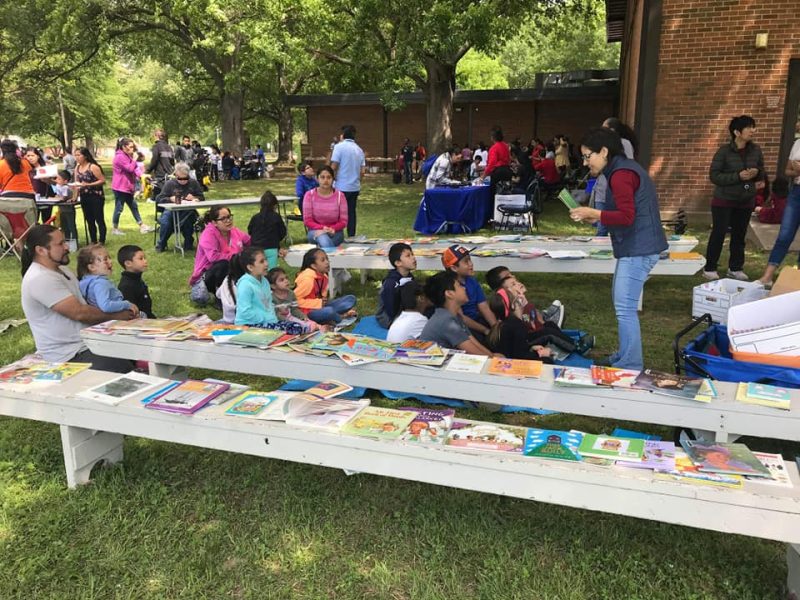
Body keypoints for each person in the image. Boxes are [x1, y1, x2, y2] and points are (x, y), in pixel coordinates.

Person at [569, 128, 668, 370]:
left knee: (625, 309)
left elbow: (626, 216)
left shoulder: (621, 174)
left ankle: (631, 364)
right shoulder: (623, 169)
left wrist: (595, 212)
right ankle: (625, 355)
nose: (585, 162)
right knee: (623, 305)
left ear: (604, 151)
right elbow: (624, 213)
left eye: (587, 155)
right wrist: (599, 219)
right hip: (638, 246)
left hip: (639, 248)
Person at [19, 224, 133, 371]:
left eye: (65, 242)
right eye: (60, 244)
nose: (67, 247)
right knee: (126, 372)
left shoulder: (62, 269)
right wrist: (119, 315)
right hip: (67, 355)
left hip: (87, 342)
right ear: (41, 250)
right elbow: (80, 313)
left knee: (140, 351)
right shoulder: (40, 278)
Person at [703, 115, 764, 281]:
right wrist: (738, 176)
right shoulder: (724, 151)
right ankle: (710, 268)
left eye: (753, 127)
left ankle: (736, 268)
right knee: (719, 233)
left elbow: (762, 170)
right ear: (737, 132)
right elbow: (714, 176)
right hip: (724, 200)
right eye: (749, 127)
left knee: (739, 235)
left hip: (745, 200)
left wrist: (757, 174)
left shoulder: (756, 150)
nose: (753, 131)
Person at [418, 271, 496, 356]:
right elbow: (475, 352)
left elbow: (473, 342)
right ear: (449, 294)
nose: (464, 288)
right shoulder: (446, 322)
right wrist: (494, 359)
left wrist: (492, 355)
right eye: (459, 285)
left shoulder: (454, 316)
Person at [758, 133, 800, 286]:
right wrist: (796, 170)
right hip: (796, 192)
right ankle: (767, 277)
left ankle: (798, 281)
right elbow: (787, 170)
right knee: (784, 235)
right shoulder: (798, 143)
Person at [231, 247, 304, 333]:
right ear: (250, 267)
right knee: (294, 329)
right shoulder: (245, 285)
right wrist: (267, 318)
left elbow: (267, 303)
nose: (266, 264)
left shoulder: (264, 281)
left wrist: (275, 312)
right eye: (262, 261)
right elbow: (245, 312)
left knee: (297, 326)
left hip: (267, 321)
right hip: (248, 325)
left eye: (266, 260)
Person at [190, 205, 250, 303]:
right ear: (214, 222)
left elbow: (249, 241)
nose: (228, 220)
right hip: (209, 275)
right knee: (224, 264)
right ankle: (220, 298)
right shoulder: (208, 234)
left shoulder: (234, 231)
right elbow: (213, 257)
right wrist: (237, 257)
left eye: (229, 217)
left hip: (232, 270)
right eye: (223, 219)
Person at [441, 245, 496, 339]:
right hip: (462, 327)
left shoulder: (471, 281)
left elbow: (484, 307)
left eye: (470, 259)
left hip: (477, 319)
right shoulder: (449, 288)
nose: (471, 264)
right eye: (466, 261)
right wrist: (486, 330)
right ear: (454, 268)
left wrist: (496, 328)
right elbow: (460, 318)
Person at [486, 288, 552, 362]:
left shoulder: (498, 325)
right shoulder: (517, 325)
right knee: (548, 360)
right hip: (512, 366)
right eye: (518, 301)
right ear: (513, 306)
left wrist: (531, 347)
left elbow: (514, 347)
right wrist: (540, 353)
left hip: (503, 362)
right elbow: (520, 356)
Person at [294, 247, 357, 325]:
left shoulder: (324, 276)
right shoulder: (308, 279)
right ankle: (342, 316)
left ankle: (330, 316)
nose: (327, 262)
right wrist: (318, 303)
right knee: (329, 311)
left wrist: (323, 301)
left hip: (321, 307)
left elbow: (322, 297)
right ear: (313, 266)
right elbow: (294, 301)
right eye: (323, 260)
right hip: (307, 312)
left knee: (351, 299)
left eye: (327, 259)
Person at [77, 244, 139, 316]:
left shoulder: (88, 282)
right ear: (92, 267)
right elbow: (106, 306)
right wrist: (127, 304)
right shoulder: (100, 283)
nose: (110, 261)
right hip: (112, 319)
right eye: (105, 259)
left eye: (109, 258)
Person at [155, 162, 205, 252]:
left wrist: (194, 198)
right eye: (180, 178)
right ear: (176, 175)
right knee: (166, 221)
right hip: (171, 210)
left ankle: (188, 242)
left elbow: (202, 197)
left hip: (188, 210)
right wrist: (170, 199)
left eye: (185, 178)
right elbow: (159, 199)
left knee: (188, 220)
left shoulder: (193, 183)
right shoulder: (170, 184)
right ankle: (161, 243)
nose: (182, 180)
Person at [111, 138, 152, 235]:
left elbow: (135, 168)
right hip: (120, 187)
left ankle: (142, 225)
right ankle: (114, 229)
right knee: (119, 208)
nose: (132, 149)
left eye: (133, 147)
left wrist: (142, 176)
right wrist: (134, 159)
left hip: (127, 187)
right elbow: (129, 168)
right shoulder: (119, 157)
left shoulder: (127, 156)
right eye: (130, 147)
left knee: (134, 206)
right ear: (123, 147)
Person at [330, 124, 365, 237]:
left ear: (343, 135)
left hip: (341, 186)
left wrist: (328, 177)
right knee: (351, 212)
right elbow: (362, 171)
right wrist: (358, 180)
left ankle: (336, 234)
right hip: (354, 186)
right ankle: (351, 235)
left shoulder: (339, 147)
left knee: (337, 212)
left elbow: (334, 165)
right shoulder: (359, 150)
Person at [303, 165, 348, 248]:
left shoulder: (340, 196)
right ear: (317, 178)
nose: (325, 180)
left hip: (336, 232)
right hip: (315, 232)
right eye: (322, 177)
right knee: (322, 237)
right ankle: (331, 257)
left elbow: (343, 221)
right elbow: (307, 221)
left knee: (324, 242)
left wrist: (332, 228)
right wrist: (323, 229)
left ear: (333, 179)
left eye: (329, 177)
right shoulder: (309, 195)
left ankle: (323, 254)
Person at [375, 242, 416, 328]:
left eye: (412, 254)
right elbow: (390, 308)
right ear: (398, 263)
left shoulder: (410, 277)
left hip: (403, 312)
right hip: (387, 317)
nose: (413, 258)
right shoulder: (391, 283)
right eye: (408, 256)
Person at [268, 267, 320, 332]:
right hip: (281, 321)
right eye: (282, 280)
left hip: (292, 317)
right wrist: (288, 321)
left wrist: (303, 317)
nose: (286, 281)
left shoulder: (291, 293)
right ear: (273, 286)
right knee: (301, 326)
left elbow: (294, 309)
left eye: (286, 278)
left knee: (310, 323)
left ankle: (311, 327)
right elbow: (275, 314)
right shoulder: (271, 297)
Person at [74, 147, 107, 244]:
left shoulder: (92, 167)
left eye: (79, 155)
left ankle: (101, 240)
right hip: (85, 196)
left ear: (85, 156)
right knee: (89, 219)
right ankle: (93, 240)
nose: (77, 157)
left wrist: (88, 185)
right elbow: (76, 183)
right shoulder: (77, 168)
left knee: (99, 218)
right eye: (75, 155)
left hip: (96, 196)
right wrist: (75, 196)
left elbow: (102, 180)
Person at [247, 190, 287, 269]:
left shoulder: (255, 217)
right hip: (272, 248)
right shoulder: (276, 217)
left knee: (258, 271)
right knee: (271, 271)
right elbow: (283, 232)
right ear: (274, 205)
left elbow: (250, 231)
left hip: (256, 249)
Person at [118, 244, 155, 318]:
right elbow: (131, 314)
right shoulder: (126, 286)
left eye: (145, 258)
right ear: (128, 263)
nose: (145, 261)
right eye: (141, 259)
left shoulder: (137, 279)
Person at [51, 170, 78, 251]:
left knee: (71, 226)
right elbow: (57, 194)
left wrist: (57, 198)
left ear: (65, 181)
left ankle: (74, 242)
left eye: (59, 179)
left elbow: (63, 197)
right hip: (62, 210)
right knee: (64, 226)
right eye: (57, 179)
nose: (57, 180)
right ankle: (66, 241)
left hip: (68, 210)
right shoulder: (58, 186)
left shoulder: (66, 187)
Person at [145, 128, 175, 202]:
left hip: (160, 174)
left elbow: (154, 160)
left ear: (156, 136)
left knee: (162, 195)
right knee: (166, 192)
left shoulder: (156, 146)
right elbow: (172, 161)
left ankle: (156, 202)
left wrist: (147, 171)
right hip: (169, 173)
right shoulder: (169, 147)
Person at [485, 128, 512, 198]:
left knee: (493, 194)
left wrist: (484, 175)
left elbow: (492, 163)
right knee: (506, 191)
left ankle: (493, 207)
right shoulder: (506, 146)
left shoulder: (494, 148)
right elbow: (509, 158)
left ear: (493, 137)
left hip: (498, 172)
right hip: (507, 171)